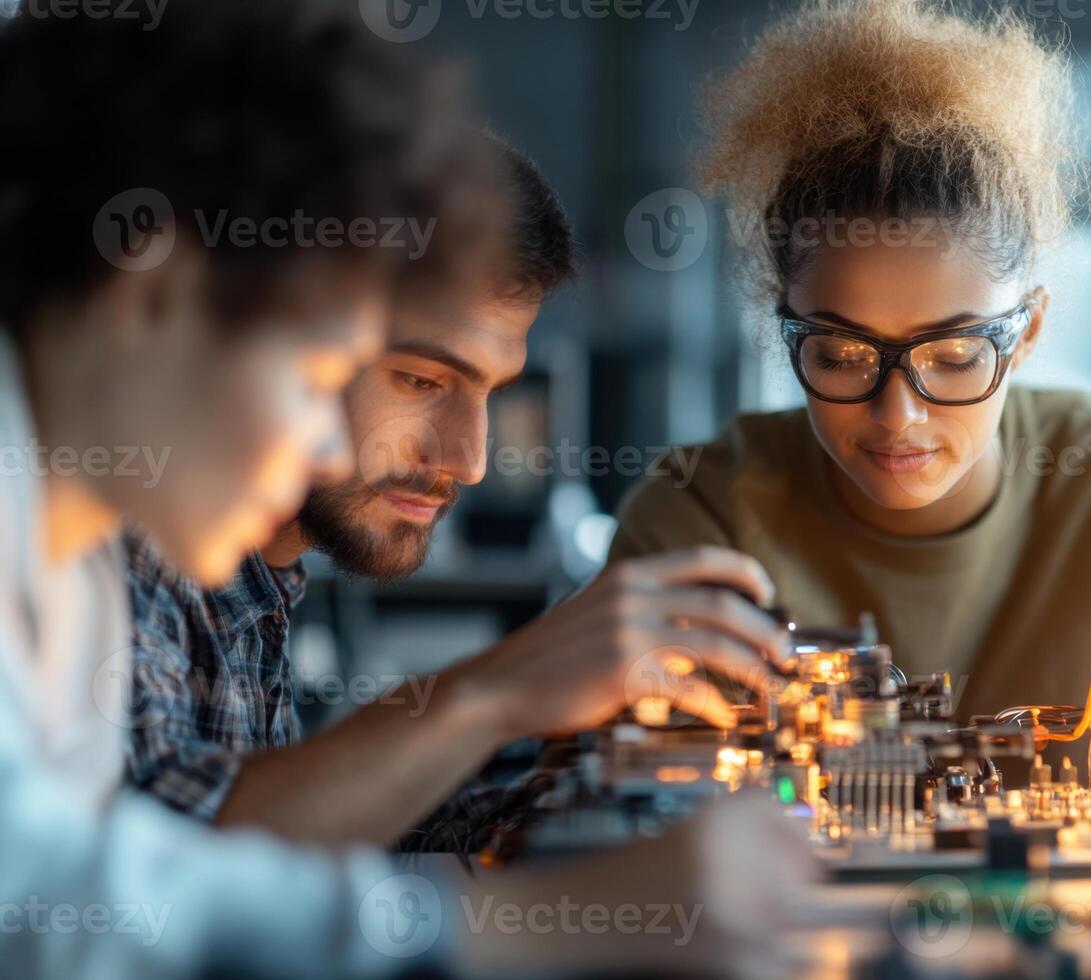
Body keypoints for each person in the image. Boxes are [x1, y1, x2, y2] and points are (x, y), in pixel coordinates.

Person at [0, 3, 810, 975]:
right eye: (318, 374)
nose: (319, 438)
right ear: (155, 293)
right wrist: (549, 910)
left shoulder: (77, 558)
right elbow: (78, 903)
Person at [124, 131, 792, 849]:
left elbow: (307, 856)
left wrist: (581, 797)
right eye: (420, 380)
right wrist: (499, 690)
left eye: (493, 393)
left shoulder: (257, 579)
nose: (470, 461)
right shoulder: (123, 550)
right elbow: (176, 883)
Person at [609, 0, 1091, 744]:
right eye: (841, 355)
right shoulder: (700, 518)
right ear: (783, 328)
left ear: (1029, 330)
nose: (897, 415)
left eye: (952, 357)